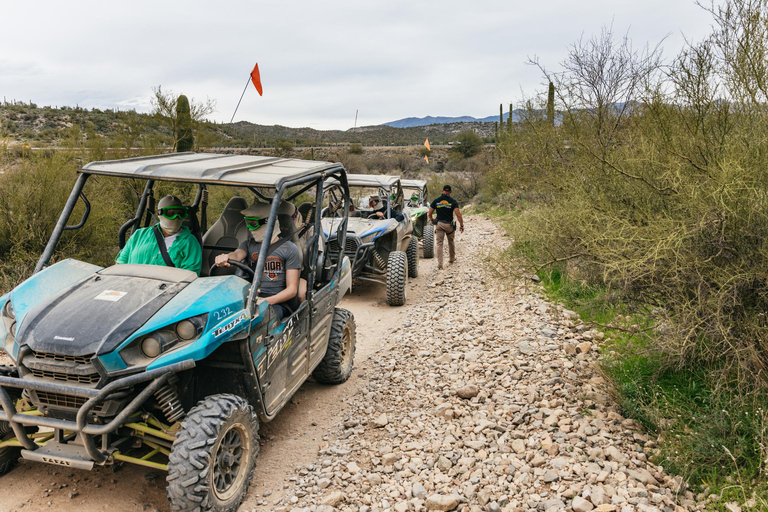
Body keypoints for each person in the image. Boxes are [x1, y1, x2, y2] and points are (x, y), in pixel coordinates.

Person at [214, 201, 301, 320]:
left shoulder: (289, 249)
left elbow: (291, 290)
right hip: (250, 298)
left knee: (256, 320)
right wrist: (226, 257)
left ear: (268, 222)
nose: (249, 229)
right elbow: (237, 255)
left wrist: (266, 301)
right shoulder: (248, 244)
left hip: (276, 303)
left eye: (253, 224)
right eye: (247, 223)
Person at [116, 195, 202, 275]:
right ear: (160, 213)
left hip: (165, 289)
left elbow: (189, 277)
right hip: (132, 286)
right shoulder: (139, 235)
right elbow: (120, 264)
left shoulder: (190, 243)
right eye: (171, 213)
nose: (176, 217)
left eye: (180, 213)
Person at [428, 184, 465, 270]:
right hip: (449, 225)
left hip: (439, 224)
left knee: (439, 244)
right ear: (450, 192)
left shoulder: (437, 201)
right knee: (451, 241)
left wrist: (432, 220)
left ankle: (440, 263)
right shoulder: (453, 201)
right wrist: (462, 225)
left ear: (442, 191)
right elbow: (458, 215)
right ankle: (451, 259)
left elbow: (429, 213)